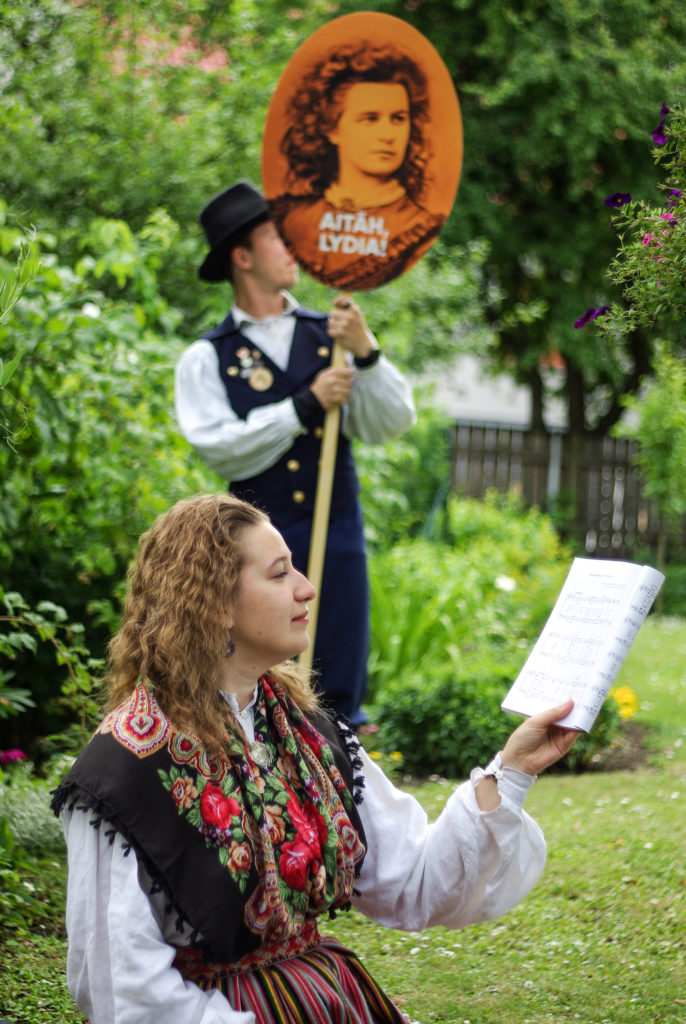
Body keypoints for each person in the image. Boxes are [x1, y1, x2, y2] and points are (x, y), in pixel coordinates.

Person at [52, 492, 580, 1024]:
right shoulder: (124, 771)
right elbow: (122, 986)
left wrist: (512, 770)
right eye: (279, 573)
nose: (306, 588)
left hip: (330, 1002)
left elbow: (414, 881)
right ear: (214, 602)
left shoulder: (302, 733)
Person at [175, 180, 416, 727]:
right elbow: (224, 450)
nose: (295, 249)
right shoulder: (206, 356)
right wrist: (305, 405)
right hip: (253, 550)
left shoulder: (333, 335)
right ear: (242, 257)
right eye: (279, 238)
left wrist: (366, 352)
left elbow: (392, 422)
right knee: (258, 677)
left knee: (339, 682)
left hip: (338, 533)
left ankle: (343, 779)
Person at [270, 42, 446, 290]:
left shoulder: (417, 227)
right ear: (332, 128)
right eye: (370, 119)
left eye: (398, 119)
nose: (388, 135)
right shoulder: (290, 217)